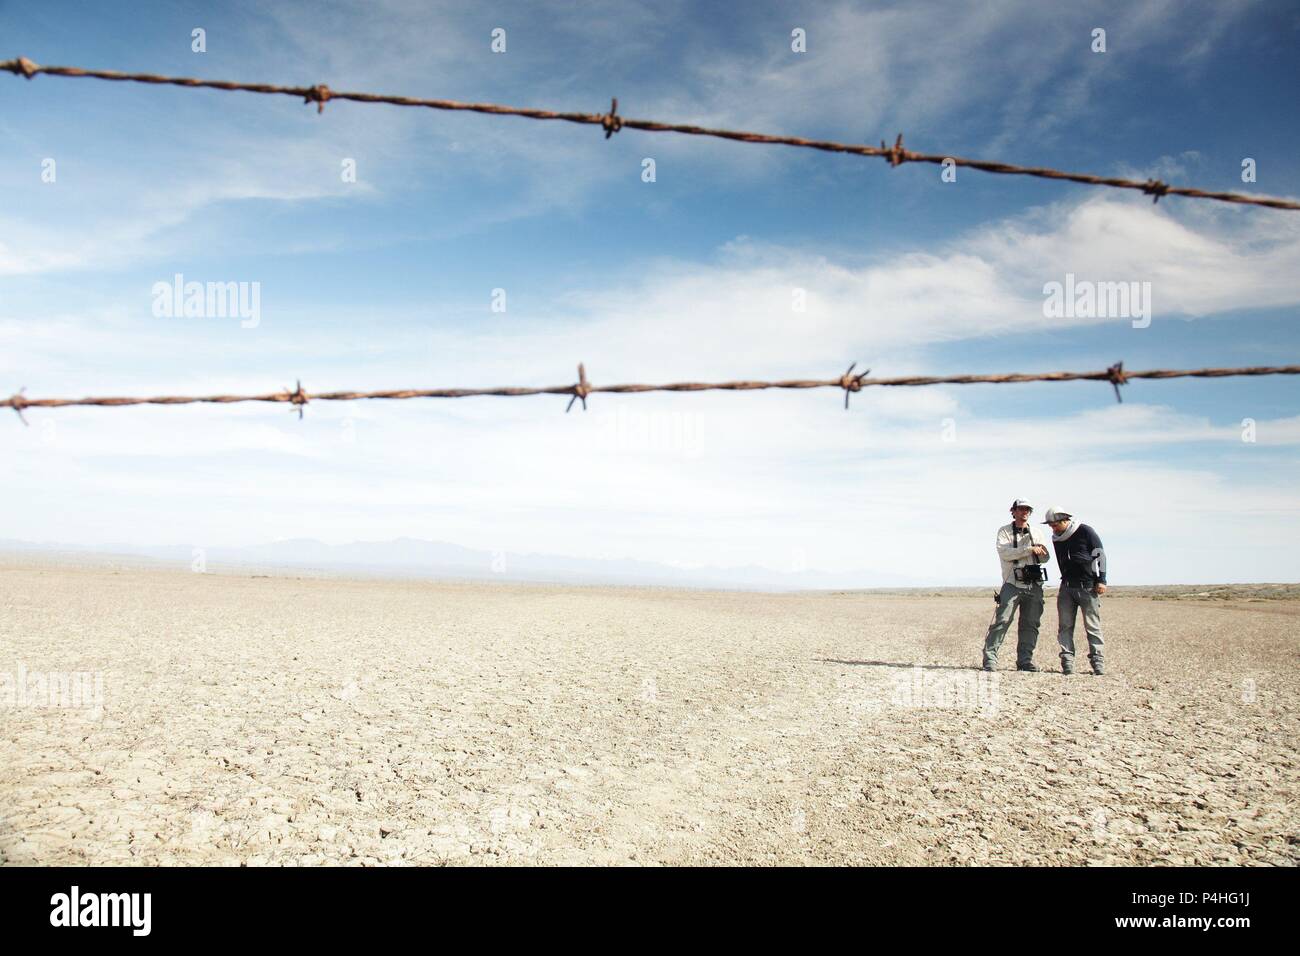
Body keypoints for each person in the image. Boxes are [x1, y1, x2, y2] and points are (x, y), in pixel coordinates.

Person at [981, 498, 1052, 672]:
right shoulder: (1004, 532)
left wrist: (1040, 551)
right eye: (1020, 509)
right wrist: (1027, 549)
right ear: (1013, 511)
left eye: (1027, 509)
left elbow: (1045, 557)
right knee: (1002, 620)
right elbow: (1005, 553)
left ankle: (1025, 661)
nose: (1024, 512)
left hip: (1033, 584)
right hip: (1012, 582)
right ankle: (990, 658)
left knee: (1031, 623)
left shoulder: (1036, 532)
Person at [1042, 506, 1107, 675]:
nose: (1053, 528)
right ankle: (1067, 662)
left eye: (1055, 525)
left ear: (1065, 520)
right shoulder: (1056, 538)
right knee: (1065, 626)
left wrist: (1102, 579)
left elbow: (1100, 554)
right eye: (1051, 526)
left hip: (1087, 586)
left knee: (1092, 625)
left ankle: (1098, 661)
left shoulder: (1085, 531)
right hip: (1067, 588)